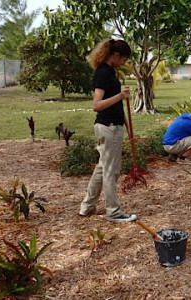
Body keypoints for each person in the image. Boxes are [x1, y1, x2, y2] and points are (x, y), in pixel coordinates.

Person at [79, 39, 137, 222]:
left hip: (113, 125)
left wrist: (127, 126)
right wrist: (120, 95)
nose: (124, 64)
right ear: (116, 54)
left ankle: (87, 207)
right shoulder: (103, 73)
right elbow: (96, 105)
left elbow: (117, 105)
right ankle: (113, 211)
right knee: (111, 170)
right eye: (124, 59)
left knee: (103, 167)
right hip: (108, 128)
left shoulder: (110, 72)